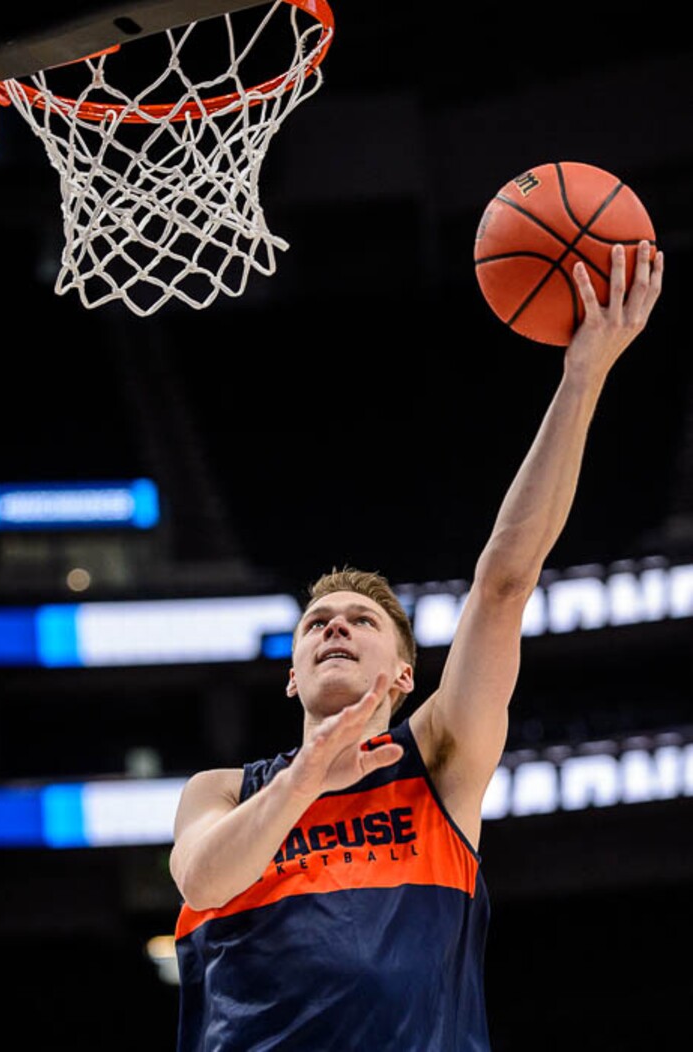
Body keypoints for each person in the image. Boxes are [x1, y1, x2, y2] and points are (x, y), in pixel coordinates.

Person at [169, 240, 664, 1051]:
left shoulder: (437, 764)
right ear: (292, 678)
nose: (334, 625)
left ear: (403, 675)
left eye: (360, 622)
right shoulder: (221, 791)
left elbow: (505, 580)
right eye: (317, 622)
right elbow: (202, 878)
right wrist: (308, 776)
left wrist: (584, 375)